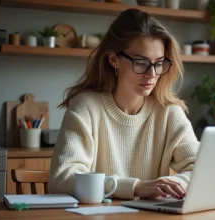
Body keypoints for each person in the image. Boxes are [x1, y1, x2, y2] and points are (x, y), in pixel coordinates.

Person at [49, 8, 200, 200]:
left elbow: (201, 169)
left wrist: (170, 186)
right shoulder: (86, 106)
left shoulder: (169, 112)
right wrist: (135, 187)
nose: (152, 74)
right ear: (113, 59)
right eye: (140, 62)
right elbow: (61, 180)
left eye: (159, 62)